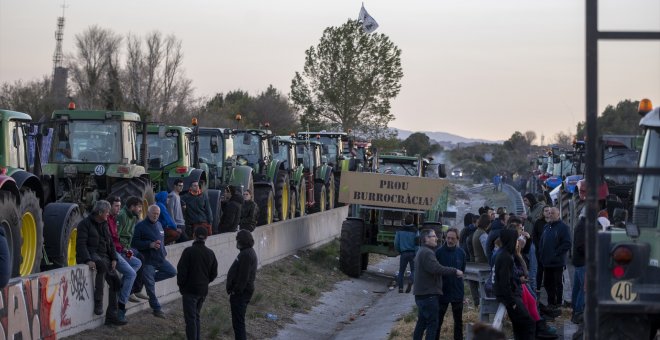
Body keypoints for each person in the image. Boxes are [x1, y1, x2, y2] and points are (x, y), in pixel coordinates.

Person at [76, 200, 127, 326]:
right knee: (102, 266)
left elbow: (110, 242)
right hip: (92, 254)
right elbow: (81, 244)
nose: (108, 214)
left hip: (105, 255)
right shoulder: (84, 224)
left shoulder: (104, 223)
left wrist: (114, 258)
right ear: (99, 212)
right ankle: (98, 303)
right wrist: (88, 260)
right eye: (106, 212)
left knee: (116, 281)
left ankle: (112, 316)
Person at [413, 228, 463, 340]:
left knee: (421, 324)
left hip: (423, 295)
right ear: (426, 238)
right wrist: (454, 271)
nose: (436, 238)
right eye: (433, 236)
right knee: (432, 325)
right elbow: (437, 268)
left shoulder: (423, 251)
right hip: (429, 296)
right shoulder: (428, 253)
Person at [132, 205, 177, 318]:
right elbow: (134, 243)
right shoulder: (140, 226)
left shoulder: (159, 224)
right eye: (154, 213)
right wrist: (149, 245)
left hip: (160, 259)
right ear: (148, 213)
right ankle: (157, 309)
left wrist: (163, 251)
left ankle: (145, 280)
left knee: (172, 272)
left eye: (157, 214)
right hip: (148, 261)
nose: (156, 216)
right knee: (151, 288)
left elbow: (161, 240)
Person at [493, 228, 535, 339]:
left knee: (520, 326)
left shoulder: (505, 254)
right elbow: (504, 283)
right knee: (528, 323)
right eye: (516, 239)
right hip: (510, 297)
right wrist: (512, 303)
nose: (518, 242)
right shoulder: (506, 257)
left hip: (510, 296)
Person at [177, 227, 218, 340]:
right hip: (202, 291)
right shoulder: (210, 253)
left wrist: (182, 287)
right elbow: (214, 273)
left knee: (190, 320)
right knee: (196, 317)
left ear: (194, 235)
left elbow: (181, 272)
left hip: (189, 291)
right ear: (206, 237)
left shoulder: (188, 251)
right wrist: (205, 282)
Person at [106, 195, 142, 321]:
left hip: (123, 250)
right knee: (131, 274)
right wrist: (122, 249)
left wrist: (126, 249)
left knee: (138, 262)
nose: (140, 210)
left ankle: (124, 287)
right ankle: (122, 305)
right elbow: (115, 239)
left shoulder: (127, 217)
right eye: (138, 207)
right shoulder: (120, 216)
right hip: (116, 252)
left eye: (119, 206)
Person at [434, 228, 466, 340]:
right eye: (448, 238)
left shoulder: (461, 253)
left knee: (458, 322)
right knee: (438, 321)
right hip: (442, 291)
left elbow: (462, 270)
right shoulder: (438, 252)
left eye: (452, 238)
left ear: (457, 239)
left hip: (457, 290)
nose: (450, 240)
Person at [538, 207, 572, 309]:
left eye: (552, 213)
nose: (550, 215)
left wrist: (556, 253)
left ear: (558, 215)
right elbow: (542, 241)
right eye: (549, 213)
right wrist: (541, 253)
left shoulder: (563, 227)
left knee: (557, 283)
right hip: (547, 262)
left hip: (557, 262)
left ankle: (557, 304)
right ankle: (550, 302)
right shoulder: (546, 226)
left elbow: (567, 243)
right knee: (548, 283)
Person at [227, 230, 258, 340]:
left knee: (239, 323)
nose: (236, 242)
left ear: (242, 241)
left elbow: (243, 277)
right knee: (238, 322)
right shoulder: (246, 252)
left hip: (241, 294)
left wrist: (236, 291)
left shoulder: (246, 254)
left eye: (238, 240)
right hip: (242, 292)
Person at [117, 196, 148, 302]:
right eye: (139, 207)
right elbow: (116, 236)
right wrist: (125, 249)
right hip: (121, 249)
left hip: (127, 247)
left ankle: (135, 289)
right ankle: (129, 290)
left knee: (141, 258)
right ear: (132, 207)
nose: (140, 210)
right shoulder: (122, 215)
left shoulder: (134, 217)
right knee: (139, 259)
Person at [571, 179, 587, 324]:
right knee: (585, 287)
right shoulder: (583, 226)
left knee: (577, 286)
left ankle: (574, 310)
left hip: (578, 260)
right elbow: (581, 245)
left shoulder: (581, 224)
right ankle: (579, 312)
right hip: (583, 261)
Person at [394, 215, 417, 293]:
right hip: (413, 253)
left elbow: (396, 243)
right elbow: (418, 243)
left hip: (403, 253)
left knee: (401, 271)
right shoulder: (415, 231)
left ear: (404, 221)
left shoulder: (399, 230)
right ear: (412, 221)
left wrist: (400, 250)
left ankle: (400, 288)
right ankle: (410, 280)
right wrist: (417, 253)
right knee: (414, 270)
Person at [166, 179, 188, 244]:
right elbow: (170, 211)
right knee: (186, 241)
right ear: (175, 186)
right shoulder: (172, 196)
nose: (181, 187)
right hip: (177, 224)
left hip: (181, 224)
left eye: (182, 186)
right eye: (179, 185)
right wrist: (174, 226)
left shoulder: (177, 195)